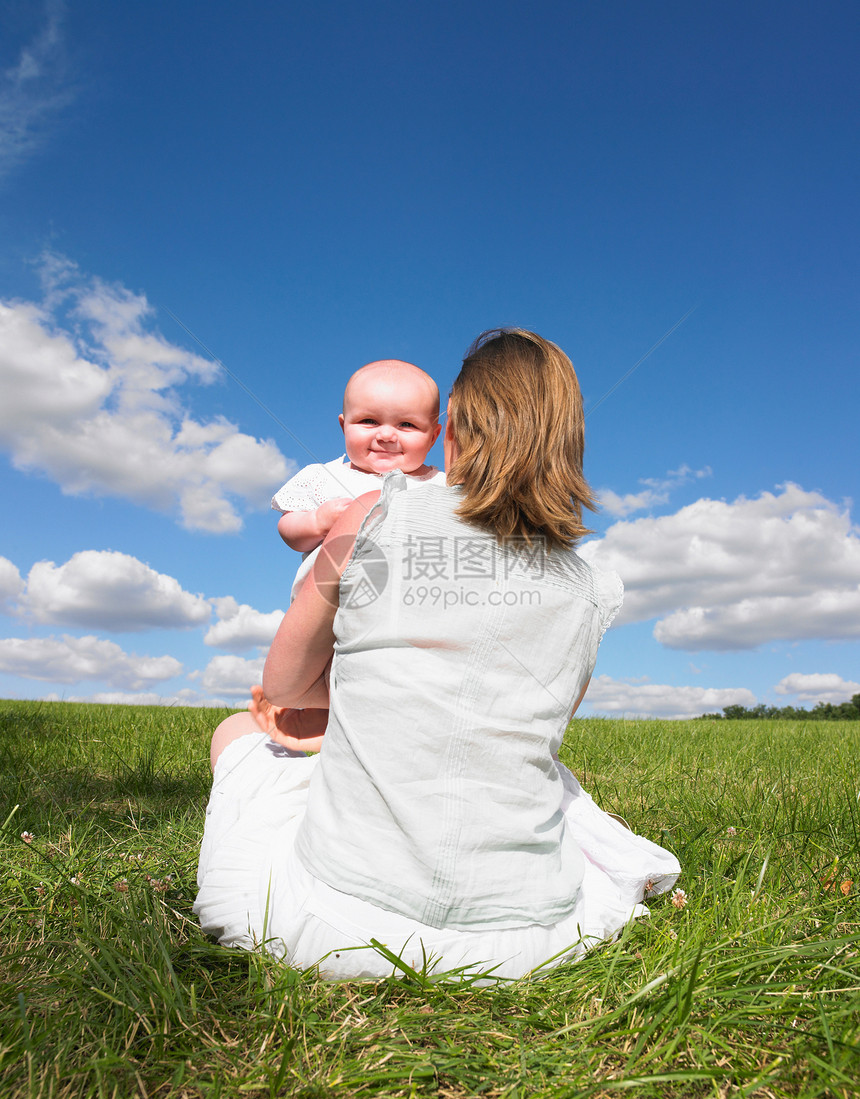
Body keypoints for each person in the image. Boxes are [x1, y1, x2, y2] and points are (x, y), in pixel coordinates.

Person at [195, 329, 680, 980]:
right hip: (525, 937)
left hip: (339, 924)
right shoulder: (593, 586)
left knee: (236, 733)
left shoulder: (370, 512)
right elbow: (543, 724)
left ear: (449, 437)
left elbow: (281, 685)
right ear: (569, 445)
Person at [271, 359, 446, 600]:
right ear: (344, 426)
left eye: (407, 424)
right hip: (330, 606)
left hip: (412, 604)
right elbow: (288, 528)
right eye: (369, 421)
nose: (385, 435)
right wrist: (317, 521)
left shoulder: (441, 485)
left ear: (433, 436)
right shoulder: (325, 477)